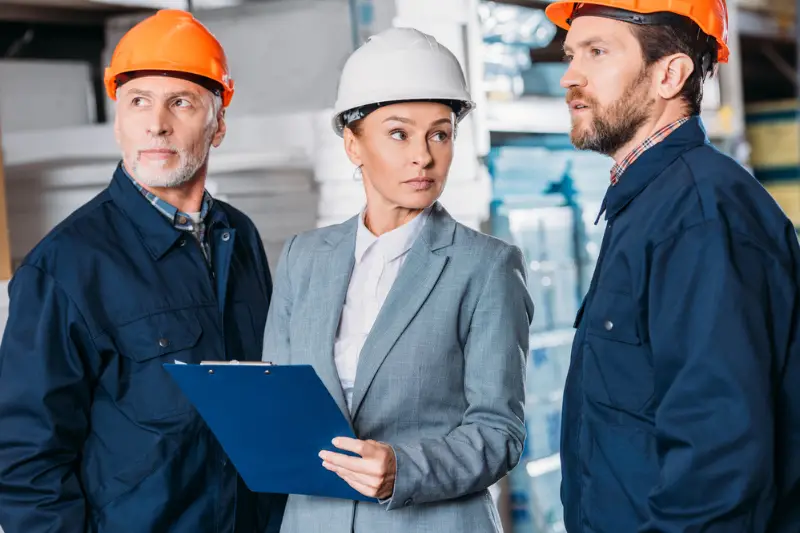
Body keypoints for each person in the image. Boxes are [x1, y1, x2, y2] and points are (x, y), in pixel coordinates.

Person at [0, 9, 280, 533]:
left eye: (181, 102)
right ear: (119, 124)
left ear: (218, 124)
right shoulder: (64, 266)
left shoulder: (239, 237)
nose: (157, 123)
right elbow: (26, 462)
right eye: (138, 102)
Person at [261, 27, 534, 533]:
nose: (424, 156)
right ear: (352, 144)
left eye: (440, 133)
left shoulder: (486, 266)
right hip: (314, 520)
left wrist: (403, 470)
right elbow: (278, 401)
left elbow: (500, 432)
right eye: (398, 133)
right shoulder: (304, 258)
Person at [543, 0, 800, 531]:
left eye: (597, 52)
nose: (570, 74)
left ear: (669, 74)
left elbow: (720, 462)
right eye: (572, 54)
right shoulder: (649, 205)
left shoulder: (701, 216)